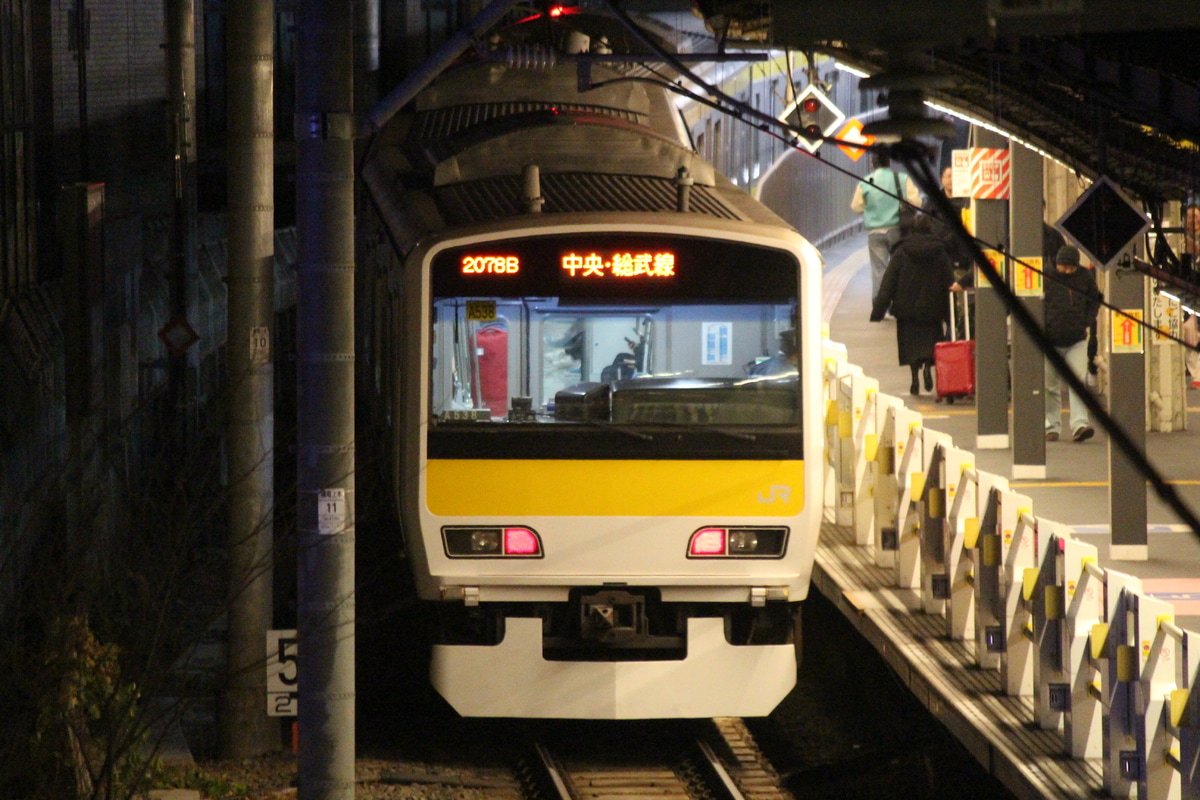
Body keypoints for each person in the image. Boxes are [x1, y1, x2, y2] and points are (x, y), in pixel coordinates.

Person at [869, 214, 957, 395]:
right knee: (931, 342)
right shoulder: (940, 251)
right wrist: (951, 313)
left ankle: (914, 377)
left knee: (910, 346)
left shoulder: (902, 251)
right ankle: (927, 368)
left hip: (906, 309)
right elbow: (949, 281)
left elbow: (888, 282)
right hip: (933, 309)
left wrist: (878, 311)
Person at [1043, 244, 1101, 442]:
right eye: (1063, 267)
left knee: (1078, 382)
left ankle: (1080, 425)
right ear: (1056, 263)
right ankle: (1051, 426)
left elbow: (1095, 299)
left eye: (1071, 268)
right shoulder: (1045, 277)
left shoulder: (1084, 277)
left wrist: (1086, 320)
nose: (1067, 271)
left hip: (1076, 339)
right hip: (1049, 340)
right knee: (1049, 386)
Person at [851, 151, 922, 303]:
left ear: (872, 164)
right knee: (899, 266)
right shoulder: (901, 179)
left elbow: (856, 207)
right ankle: (899, 300)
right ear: (889, 164)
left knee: (879, 269)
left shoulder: (866, 181)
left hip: (875, 232)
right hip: (898, 229)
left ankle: (880, 302)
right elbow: (916, 202)